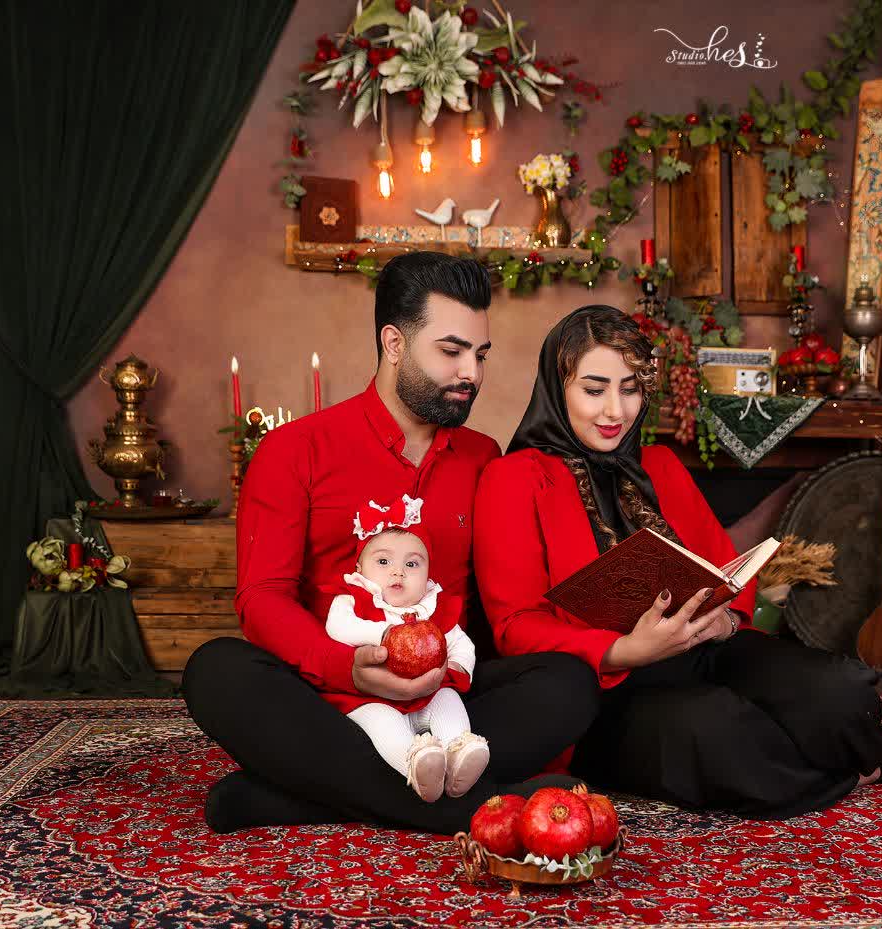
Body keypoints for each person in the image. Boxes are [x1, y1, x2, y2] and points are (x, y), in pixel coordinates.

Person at [474, 305, 882, 820]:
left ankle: (802, 751)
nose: (615, 410)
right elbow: (514, 626)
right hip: (607, 687)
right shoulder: (512, 478)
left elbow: (726, 569)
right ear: (558, 387)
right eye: (594, 390)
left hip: (704, 651)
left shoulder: (659, 464)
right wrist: (625, 649)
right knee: (715, 731)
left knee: (838, 691)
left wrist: (723, 621)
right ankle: (835, 766)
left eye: (630, 389)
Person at [182, 253, 599, 835]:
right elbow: (262, 597)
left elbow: (497, 603)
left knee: (570, 684)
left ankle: (301, 796)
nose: (472, 373)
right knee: (215, 670)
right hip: (329, 697)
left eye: (480, 355)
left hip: (443, 696)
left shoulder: (482, 457)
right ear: (394, 343)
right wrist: (347, 668)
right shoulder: (295, 451)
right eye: (451, 351)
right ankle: (473, 806)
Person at [323, 494, 489, 802]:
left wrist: (457, 667)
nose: (398, 572)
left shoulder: (431, 608)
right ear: (360, 568)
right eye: (383, 562)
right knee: (382, 723)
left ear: (427, 575)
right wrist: (383, 633)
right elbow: (338, 626)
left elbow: (460, 642)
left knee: (448, 699)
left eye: (411, 564)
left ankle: (459, 753)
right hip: (371, 697)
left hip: (427, 692)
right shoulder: (355, 599)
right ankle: (418, 765)